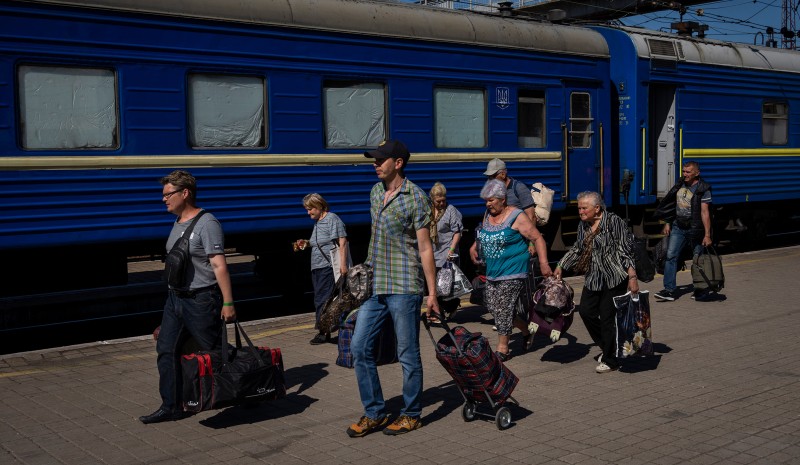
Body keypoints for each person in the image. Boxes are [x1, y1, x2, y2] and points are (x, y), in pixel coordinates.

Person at [346, 139, 439, 438]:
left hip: (404, 286)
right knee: (359, 348)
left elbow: (425, 248)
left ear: (398, 163)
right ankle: (375, 412)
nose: (375, 164)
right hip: (377, 285)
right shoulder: (375, 193)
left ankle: (412, 414)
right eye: (374, 159)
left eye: (380, 160)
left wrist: (432, 292)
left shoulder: (417, 198)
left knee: (407, 353)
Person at [140, 170, 236, 424]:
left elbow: (219, 266)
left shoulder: (208, 223)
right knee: (166, 350)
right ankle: (171, 406)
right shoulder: (177, 223)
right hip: (176, 300)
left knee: (216, 350)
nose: (164, 199)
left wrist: (228, 302)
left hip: (202, 300)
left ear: (185, 193)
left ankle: (245, 384)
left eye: (168, 194)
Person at [554, 191, 638, 374]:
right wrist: (561, 264)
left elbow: (626, 250)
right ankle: (609, 346)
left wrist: (632, 277)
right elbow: (578, 249)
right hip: (594, 278)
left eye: (584, 208)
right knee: (586, 312)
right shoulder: (583, 225)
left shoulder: (614, 222)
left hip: (614, 278)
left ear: (597, 208)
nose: (581, 211)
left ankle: (610, 360)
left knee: (607, 319)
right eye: (579, 208)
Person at [468, 179, 552, 361]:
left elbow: (538, 239)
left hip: (514, 269)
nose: (488, 204)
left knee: (504, 307)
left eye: (491, 200)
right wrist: (474, 246)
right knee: (493, 305)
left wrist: (544, 263)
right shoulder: (488, 215)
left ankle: (503, 348)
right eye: (486, 201)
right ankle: (526, 330)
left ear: (503, 199)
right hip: (493, 271)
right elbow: (483, 233)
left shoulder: (517, 216)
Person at [653, 161, 713, 302]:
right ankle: (669, 290)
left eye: (688, 172)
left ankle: (700, 289)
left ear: (697, 173)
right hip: (678, 227)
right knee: (671, 256)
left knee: (697, 260)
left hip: (695, 229)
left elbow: (705, 213)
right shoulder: (680, 184)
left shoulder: (703, 188)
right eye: (684, 171)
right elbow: (671, 205)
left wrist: (707, 235)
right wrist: (667, 222)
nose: (684, 174)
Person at [295, 193, 350, 345]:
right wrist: (305, 243)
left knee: (322, 299)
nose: (308, 212)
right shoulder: (319, 222)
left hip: (327, 266)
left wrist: (343, 266)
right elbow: (319, 242)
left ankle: (323, 331)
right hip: (318, 266)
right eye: (307, 209)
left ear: (319, 206)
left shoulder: (332, 218)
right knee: (322, 298)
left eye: (310, 209)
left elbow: (342, 241)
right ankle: (326, 328)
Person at [429, 182, 463, 317]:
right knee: (435, 284)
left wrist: (452, 249)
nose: (441, 203)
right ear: (432, 199)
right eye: (438, 201)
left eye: (443, 200)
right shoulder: (429, 211)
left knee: (445, 285)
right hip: (433, 253)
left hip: (447, 252)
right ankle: (442, 310)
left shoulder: (451, 210)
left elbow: (457, 232)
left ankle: (448, 308)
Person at [483, 157, 536, 222]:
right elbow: (488, 213)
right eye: (489, 177)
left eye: (493, 176)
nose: (490, 180)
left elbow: (531, 217)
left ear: (503, 174)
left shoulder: (519, 188)